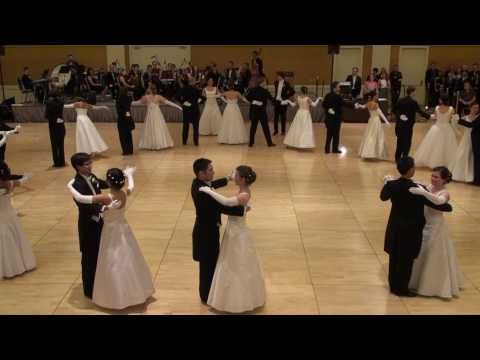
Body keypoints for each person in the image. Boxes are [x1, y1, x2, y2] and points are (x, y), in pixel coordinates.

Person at [67, 166, 154, 309]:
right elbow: (131, 186)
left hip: (110, 231)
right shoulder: (124, 194)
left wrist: (70, 185)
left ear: (108, 181)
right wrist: (130, 174)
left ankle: (116, 296)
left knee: (112, 261)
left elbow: (81, 198)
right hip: (123, 229)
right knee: (128, 257)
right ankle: (135, 291)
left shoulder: (106, 198)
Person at [380, 156, 453, 297]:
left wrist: (386, 183)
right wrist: (446, 205)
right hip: (410, 230)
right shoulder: (417, 190)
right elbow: (442, 206)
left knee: (394, 258)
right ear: (411, 170)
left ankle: (393, 286)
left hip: (394, 228)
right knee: (406, 261)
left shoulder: (392, 185)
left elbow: (383, 197)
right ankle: (402, 289)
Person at [199, 165, 265, 313]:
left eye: (235, 175)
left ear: (241, 179)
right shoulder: (243, 189)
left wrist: (209, 191)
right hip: (234, 230)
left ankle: (236, 300)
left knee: (236, 264)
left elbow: (227, 202)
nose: (233, 176)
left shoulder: (243, 194)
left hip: (237, 234)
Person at [191, 158, 245, 304]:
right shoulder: (202, 193)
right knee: (207, 267)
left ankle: (210, 293)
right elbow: (222, 206)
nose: (213, 171)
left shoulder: (199, 183)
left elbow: (212, 184)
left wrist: (227, 179)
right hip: (205, 235)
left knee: (210, 265)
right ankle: (206, 296)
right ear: (201, 173)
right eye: (210, 170)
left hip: (208, 231)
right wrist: (243, 209)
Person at [408, 167, 464, 298]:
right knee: (420, 252)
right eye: (432, 176)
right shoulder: (428, 187)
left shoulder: (445, 193)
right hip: (423, 225)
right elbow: (415, 184)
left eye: (436, 177)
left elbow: (438, 201)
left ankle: (431, 286)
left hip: (436, 227)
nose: (433, 179)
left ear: (444, 180)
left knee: (433, 254)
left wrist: (424, 193)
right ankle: (415, 281)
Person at [68, 153, 110, 298]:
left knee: (101, 252)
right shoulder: (76, 184)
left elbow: (102, 184)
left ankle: (101, 283)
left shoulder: (92, 176)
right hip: (88, 224)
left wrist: (116, 179)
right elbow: (83, 205)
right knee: (89, 257)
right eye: (86, 164)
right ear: (78, 167)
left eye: (90, 163)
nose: (90, 166)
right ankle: (89, 290)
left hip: (100, 221)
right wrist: (102, 208)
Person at [0, 162, 36, 279]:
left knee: (5, 242)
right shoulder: (9, 183)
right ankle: (22, 264)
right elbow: (21, 181)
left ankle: (9, 268)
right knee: (16, 240)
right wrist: (27, 176)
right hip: (10, 216)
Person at [414, 94, 459, 169]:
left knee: (434, 146)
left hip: (437, 127)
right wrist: (456, 129)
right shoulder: (451, 109)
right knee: (447, 146)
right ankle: (446, 163)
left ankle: (434, 162)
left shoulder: (437, 108)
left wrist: (428, 116)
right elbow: (454, 120)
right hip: (447, 128)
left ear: (441, 100)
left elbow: (434, 117)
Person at [393, 86, 431, 162]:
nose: (415, 93)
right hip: (408, 126)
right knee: (407, 143)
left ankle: (397, 158)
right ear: (412, 92)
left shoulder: (400, 100)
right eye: (415, 91)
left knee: (399, 142)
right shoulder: (413, 102)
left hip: (399, 125)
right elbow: (419, 111)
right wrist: (429, 116)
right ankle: (404, 158)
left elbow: (394, 110)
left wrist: (400, 116)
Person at [356, 91, 391, 160]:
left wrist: (358, 105)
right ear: (374, 96)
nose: (377, 96)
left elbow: (362, 107)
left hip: (371, 121)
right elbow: (381, 114)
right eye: (376, 95)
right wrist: (387, 122)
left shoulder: (368, 103)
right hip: (376, 121)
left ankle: (368, 152)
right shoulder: (375, 104)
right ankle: (374, 153)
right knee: (377, 136)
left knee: (369, 135)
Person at [322, 81, 353, 154]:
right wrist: (353, 105)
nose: (340, 88)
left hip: (332, 118)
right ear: (334, 88)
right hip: (334, 118)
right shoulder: (334, 96)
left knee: (332, 134)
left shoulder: (330, 95)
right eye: (338, 86)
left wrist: (329, 110)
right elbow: (344, 103)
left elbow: (324, 104)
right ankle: (331, 149)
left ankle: (330, 149)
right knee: (333, 134)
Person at [244, 76, 276, 147]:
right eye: (265, 83)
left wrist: (253, 101)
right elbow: (272, 99)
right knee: (265, 128)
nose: (266, 84)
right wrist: (278, 102)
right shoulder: (265, 91)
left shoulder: (252, 89)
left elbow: (247, 98)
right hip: (261, 112)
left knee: (253, 127)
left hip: (254, 111)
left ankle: (251, 143)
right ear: (261, 83)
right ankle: (269, 143)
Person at [175, 77, 202, 146]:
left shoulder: (196, 89)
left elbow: (202, 97)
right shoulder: (184, 89)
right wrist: (183, 102)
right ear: (189, 82)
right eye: (192, 81)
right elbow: (177, 97)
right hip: (189, 110)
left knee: (194, 127)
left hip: (193, 109)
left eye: (193, 81)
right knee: (187, 126)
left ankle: (195, 142)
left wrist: (199, 101)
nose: (193, 82)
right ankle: (186, 141)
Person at [458, 102, 480, 185]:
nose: (476, 109)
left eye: (477, 108)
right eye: (474, 107)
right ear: (470, 108)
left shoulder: (478, 117)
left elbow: (471, 125)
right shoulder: (466, 117)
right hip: (467, 138)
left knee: (474, 158)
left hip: (475, 140)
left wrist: (459, 120)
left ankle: (475, 179)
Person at [44, 87, 66, 167]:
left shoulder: (49, 103)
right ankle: (62, 161)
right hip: (61, 124)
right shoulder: (61, 102)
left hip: (53, 126)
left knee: (54, 145)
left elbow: (46, 116)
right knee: (61, 144)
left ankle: (57, 163)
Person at [116, 87, 134, 155]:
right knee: (128, 135)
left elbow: (121, 110)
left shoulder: (119, 99)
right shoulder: (129, 98)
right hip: (128, 118)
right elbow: (127, 110)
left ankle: (126, 151)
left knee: (122, 136)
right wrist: (128, 118)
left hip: (121, 119)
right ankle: (130, 150)